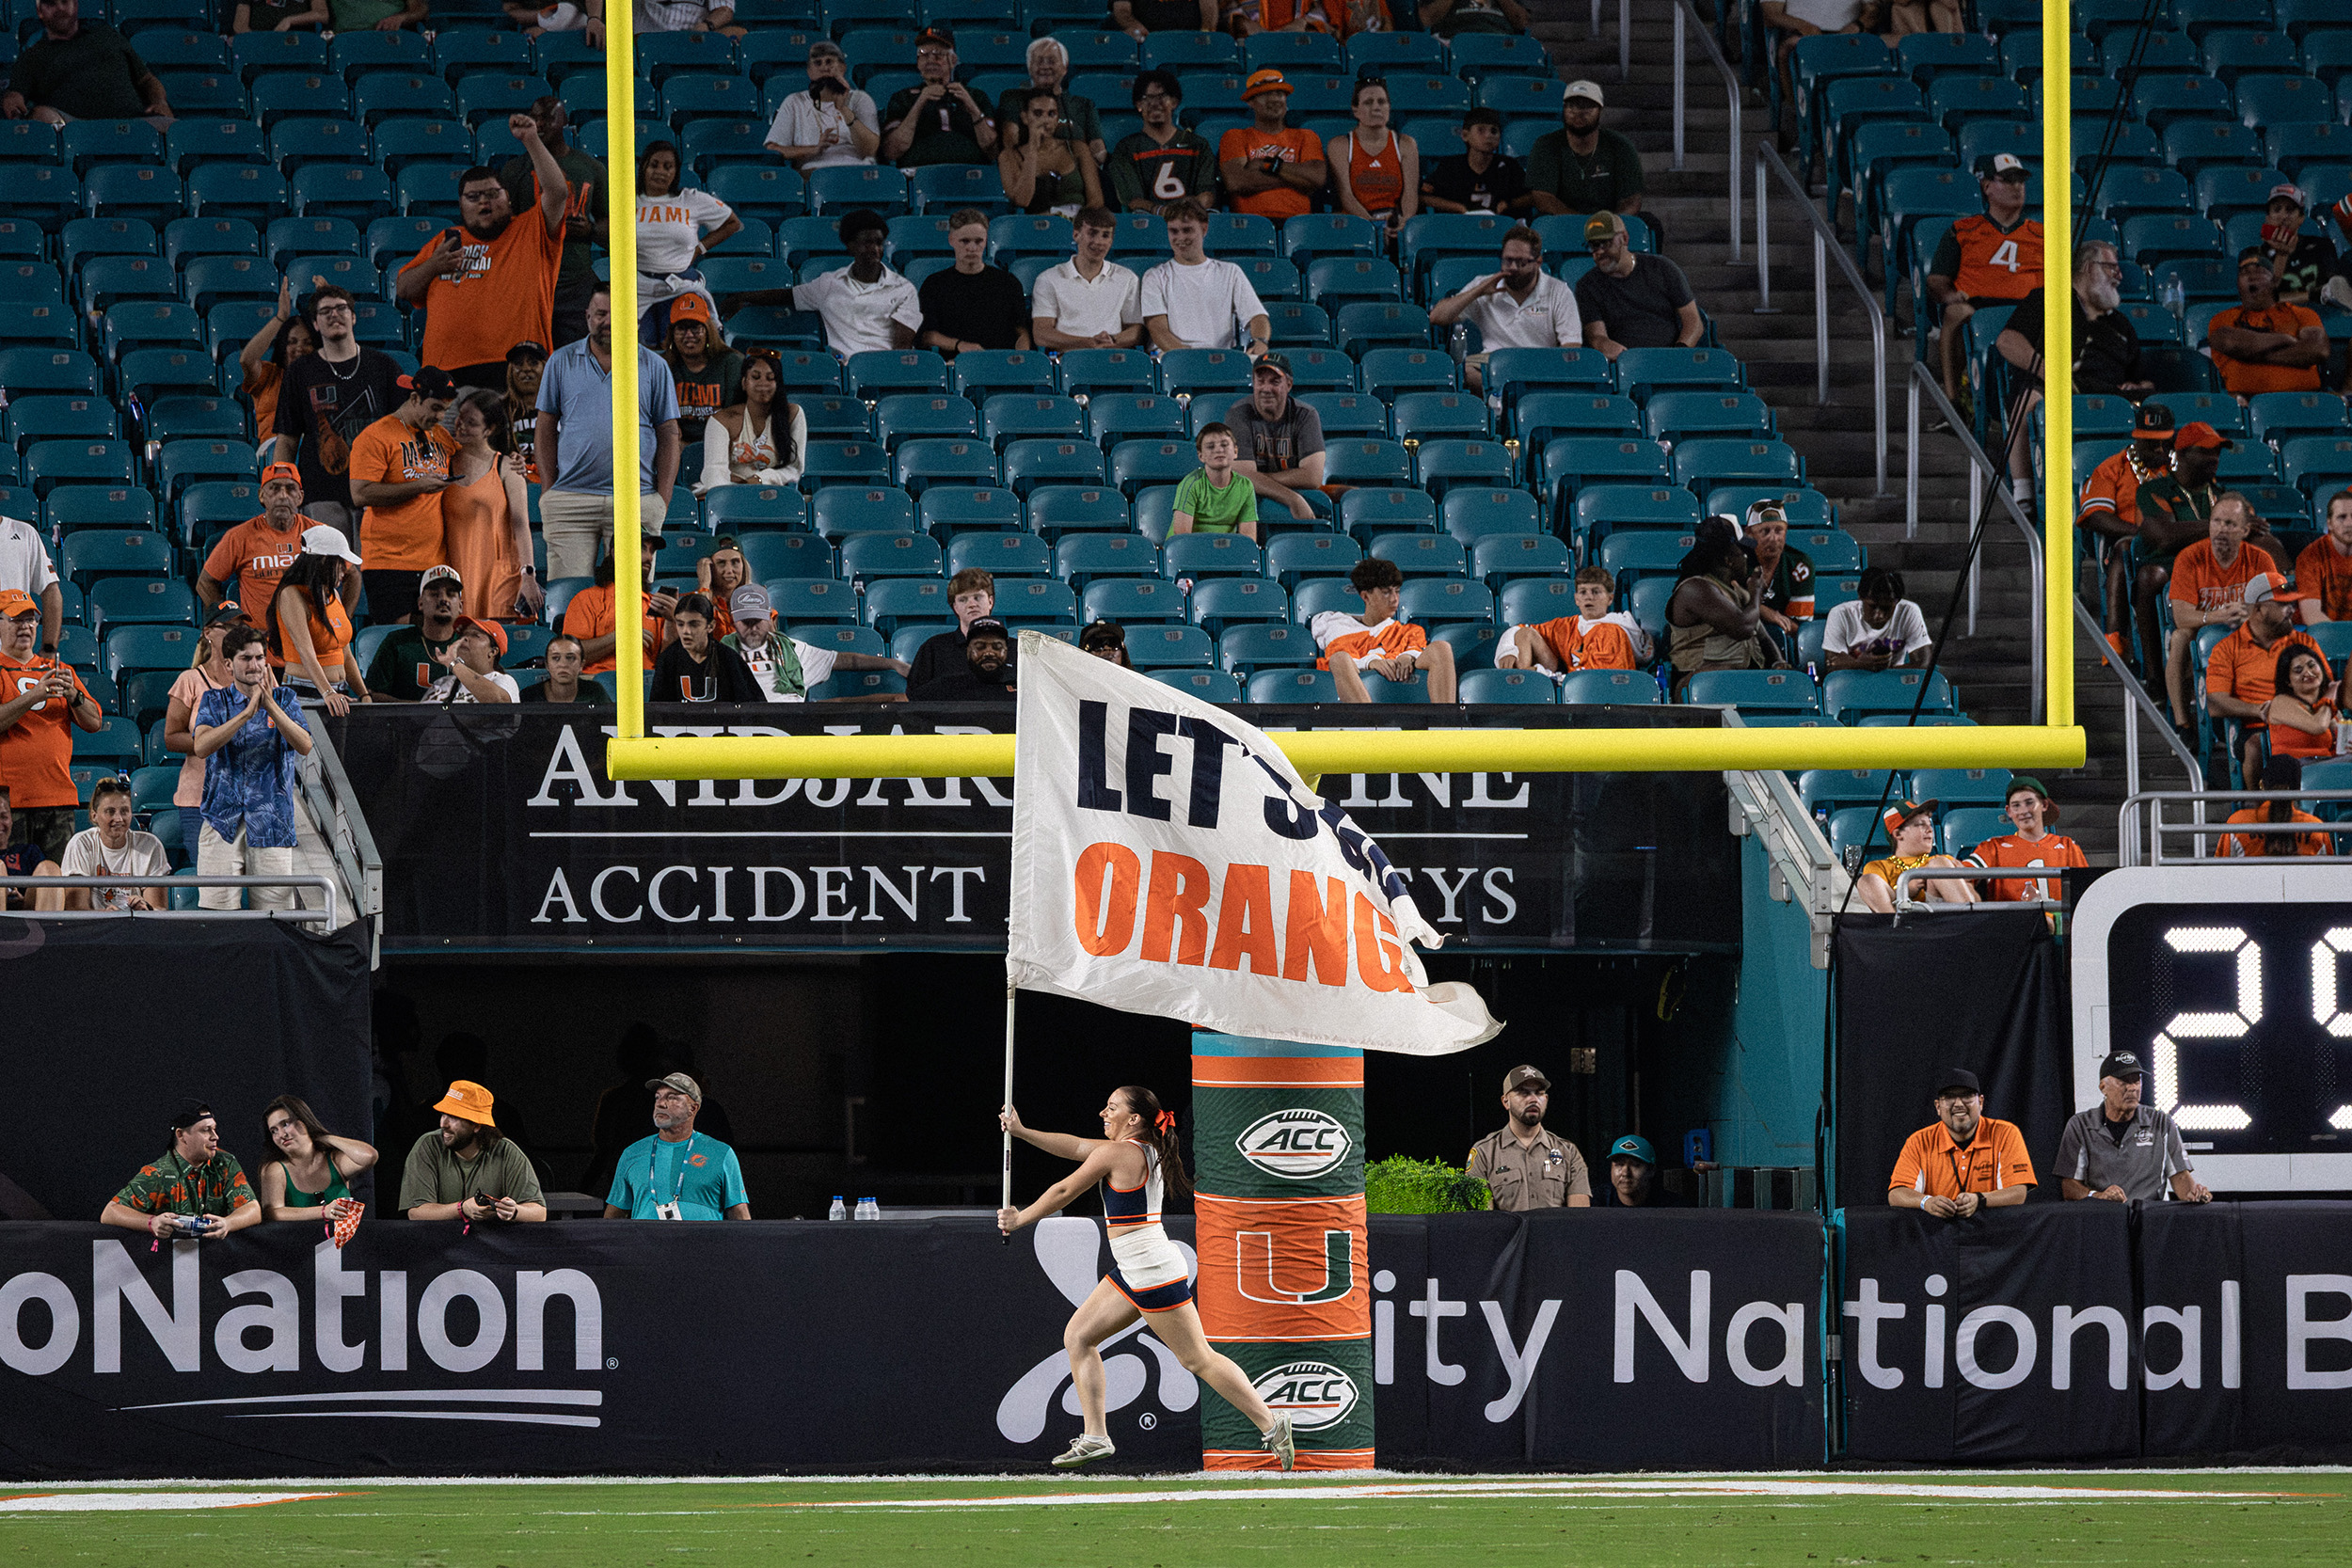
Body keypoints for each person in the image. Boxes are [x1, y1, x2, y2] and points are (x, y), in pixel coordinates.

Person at [996, 1089, 1296, 1472]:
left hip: (1151, 1271)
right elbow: (1073, 1147)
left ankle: (1272, 1424)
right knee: (1079, 1337)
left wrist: (1021, 1218)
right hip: (1135, 1269)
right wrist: (1023, 1132)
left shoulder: (1119, 1152)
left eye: (1113, 1107)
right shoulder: (1135, 1149)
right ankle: (1095, 1437)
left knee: (1198, 1359)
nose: (1103, 1111)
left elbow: (1065, 1190)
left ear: (1134, 1119)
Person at [398, 119, 570, 391]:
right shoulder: (446, 240)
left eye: (492, 194)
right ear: (461, 205)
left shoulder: (530, 229)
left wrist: (531, 140)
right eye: (473, 197)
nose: (483, 201)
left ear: (509, 198)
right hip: (447, 372)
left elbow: (558, 192)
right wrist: (433, 265)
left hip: (517, 367)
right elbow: (404, 288)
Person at [538, 284, 684, 583]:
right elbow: (545, 427)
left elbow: (669, 433)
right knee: (568, 597)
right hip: (571, 500)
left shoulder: (654, 366)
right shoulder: (560, 361)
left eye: (616, 314)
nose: (607, 321)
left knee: (632, 601)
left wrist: (661, 499)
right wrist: (549, 490)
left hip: (636, 500)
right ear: (587, 316)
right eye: (601, 313)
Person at [1994, 240, 2152, 496]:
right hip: (2056, 389)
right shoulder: (2047, 300)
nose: (2119, 276)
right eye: (2111, 267)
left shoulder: (2121, 323)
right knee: (2030, 398)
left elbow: (2144, 379)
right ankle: (2024, 492)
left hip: (2110, 399)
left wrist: (2138, 386)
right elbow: (2007, 341)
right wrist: (2049, 372)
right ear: (2089, 268)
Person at [190, 623, 315, 912]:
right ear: (228, 664)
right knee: (217, 915)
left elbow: (304, 745)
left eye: (260, 658)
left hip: (272, 822)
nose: (255, 665)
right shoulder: (215, 700)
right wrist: (246, 714)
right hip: (222, 821)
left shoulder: (285, 699)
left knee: (275, 918)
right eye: (246, 658)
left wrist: (271, 707)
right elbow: (202, 746)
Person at [272, 283, 405, 533]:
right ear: (315, 324)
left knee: (369, 570)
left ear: (353, 317)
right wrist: (282, 486)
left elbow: (404, 430)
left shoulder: (384, 366)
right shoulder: (300, 372)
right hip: (321, 492)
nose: (334, 314)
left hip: (375, 488)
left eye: (341, 308)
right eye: (325, 311)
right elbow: (287, 439)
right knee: (328, 569)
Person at [2135, 423, 2237, 723]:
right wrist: (2220, 526)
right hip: (2173, 563)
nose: (2214, 457)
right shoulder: (2153, 489)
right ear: (2180, 454)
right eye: (2205, 451)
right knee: (2150, 576)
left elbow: (2246, 531)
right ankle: (2154, 675)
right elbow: (2163, 535)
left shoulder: (2223, 493)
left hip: (2219, 566)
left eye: (2217, 451)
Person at [1925, 153, 2042, 416]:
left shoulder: (2043, 235)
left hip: (2031, 312)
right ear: (1987, 187)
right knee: (1957, 312)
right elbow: (1936, 280)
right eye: (2008, 180)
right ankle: (1954, 404)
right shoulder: (1963, 230)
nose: (2017, 187)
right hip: (1977, 308)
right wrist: (1950, 296)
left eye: (2021, 181)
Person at [346, 367, 458, 626]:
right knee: (401, 635)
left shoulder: (441, 437)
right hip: (389, 563)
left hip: (434, 561)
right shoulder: (376, 436)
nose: (440, 416)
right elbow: (360, 493)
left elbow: (474, 457)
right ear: (415, 398)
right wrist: (417, 486)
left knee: (436, 637)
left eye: (445, 410)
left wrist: (511, 462)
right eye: (435, 408)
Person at [0, 588, 103, 864]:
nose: (25, 626)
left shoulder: (60, 669)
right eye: (16, 620)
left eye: (31, 619)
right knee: (13, 889)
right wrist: (35, 695)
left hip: (57, 796)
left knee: (58, 884)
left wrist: (74, 695)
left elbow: (94, 722)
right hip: (9, 804)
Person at [2169, 497, 2284, 739]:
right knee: (2179, 638)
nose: (2221, 529)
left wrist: (2250, 615)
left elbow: (2274, 611)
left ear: (2245, 530)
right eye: (2217, 522)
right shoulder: (2189, 558)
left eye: (2230, 524)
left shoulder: (2260, 559)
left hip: (2246, 632)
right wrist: (2217, 616)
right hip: (2202, 630)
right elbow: (2181, 617)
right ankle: (2182, 725)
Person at [497, 96, 605, 352]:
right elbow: (502, 228)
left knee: (577, 358)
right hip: (530, 282)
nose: (541, 123)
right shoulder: (514, 170)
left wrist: (589, 230)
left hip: (575, 282)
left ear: (565, 120)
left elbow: (614, 227)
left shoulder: (590, 168)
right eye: (536, 117)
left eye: (548, 117)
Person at [1427, 224, 1581, 394]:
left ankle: (1507, 399)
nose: (1513, 267)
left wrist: (1548, 370)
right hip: (1492, 362)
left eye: (1521, 262)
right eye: (1508, 260)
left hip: (1539, 363)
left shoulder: (1558, 291)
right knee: (1465, 371)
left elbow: (1572, 345)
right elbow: (1437, 317)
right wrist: (1478, 291)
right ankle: (1504, 399)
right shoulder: (1484, 284)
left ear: (1538, 263)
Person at [2076, 401, 2175, 663]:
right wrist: (2141, 531)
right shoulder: (2113, 467)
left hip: (2177, 539)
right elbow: (2096, 515)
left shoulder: (2180, 466)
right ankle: (2114, 636)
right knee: (2124, 549)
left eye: (2163, 441)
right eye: (2150, 441)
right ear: (2136, 437)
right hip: (2131, 540)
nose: (2157, 448)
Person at [2204, 573, 2327, 784]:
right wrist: (2258, 710)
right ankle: (2257, 809)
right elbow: (2215, 703)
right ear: (2258, 609)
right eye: (2283, 605)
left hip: (2306, 720)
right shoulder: (2226, 649)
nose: (2292, 610)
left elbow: (2326, 687)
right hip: (2256, 727)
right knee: (2255, 745)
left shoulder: (2305, 642)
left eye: (2292, 603)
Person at [2056, 1051, 2212, 1204]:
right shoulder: (2080, 1125)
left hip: (2149, 1218)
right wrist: (2098, 1196)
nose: (2132, 1088)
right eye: (2123, 1082)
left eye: (2136, 1081)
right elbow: (2069, 1187)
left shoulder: (2161, 1122)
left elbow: (2181, 1176)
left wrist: (2194, 1194)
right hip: (2101, 1218)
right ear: (2103, 1087)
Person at [766, 210, 922, 358]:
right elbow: (785, 296)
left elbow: (902, 346)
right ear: (851, 246)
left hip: (888, 368)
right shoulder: (828, 285)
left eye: (879, 243)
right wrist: (742, 297)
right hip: (845, 367)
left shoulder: (903, 289)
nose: (875, 249)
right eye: (867, 243)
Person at [100, 1102, 262, 1241]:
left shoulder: (224, 1163)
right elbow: (110, 1212)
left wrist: (228, 1224)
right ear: (181, 1135)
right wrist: (151, 1222)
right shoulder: (158, 1172)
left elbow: (253, 1209)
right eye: (206, 1130)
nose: (215, 1136)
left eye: (214, 1129)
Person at [0, 0, 172, 130]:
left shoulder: (107, 35)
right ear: (40, 11)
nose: (60, 8)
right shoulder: (33, 56)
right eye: (51, 3)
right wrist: (11, 101)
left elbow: (147, 80)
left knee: (177, 130)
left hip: (134, 123)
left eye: (65, 1)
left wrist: (159, 102)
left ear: (75, 5)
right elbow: (15, 95)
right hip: (72, 127)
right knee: (42, 116)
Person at [443, 389, 537, 625]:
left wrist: (528, 576)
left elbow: (521, 524)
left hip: (499, 576)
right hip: (454, 571)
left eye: (471, 422)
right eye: (460, 417)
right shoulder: (443, 462)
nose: (461, 425)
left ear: (490, 429)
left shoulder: (507, 467)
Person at [1888, 1069, 2035, 1218]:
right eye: (1949, 1097)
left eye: (1967, 1096)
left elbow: (2018, 1193)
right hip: (1935, 1236)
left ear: (1981, 1102)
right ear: (1938, 1107)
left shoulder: (2005, 1133)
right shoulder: (1919, 1141)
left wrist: (1979, 1200)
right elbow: (1896, 1194)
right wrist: (1927, 1201)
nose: (1958, 1104)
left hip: (1992, 1234)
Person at [603, 1071, 751, 1221]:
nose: (661, 1103)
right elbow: (614, 1215)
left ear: (693, 1108)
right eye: (657, 1097)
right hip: (646, 1244)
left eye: (672, 1097)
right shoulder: (632, 1153)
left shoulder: (721, 1153)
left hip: (704, 1244)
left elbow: (740, 1215)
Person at [724, 585, 906, 703]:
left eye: (758, 620)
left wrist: (893, 663)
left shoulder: (794, 649)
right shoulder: (722, 652)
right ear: (734, 622)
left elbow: (849, 661)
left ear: (772, 619)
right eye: (745, 621)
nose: (753, 627)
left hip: (787, 722)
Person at [400, 1079, 548, 1224]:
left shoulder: (506, 1152)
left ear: (476, 1125)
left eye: (453, 1117)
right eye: (443, 1114)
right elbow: (416, 1212)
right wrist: (462, 1208)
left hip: (493, 1242)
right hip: (441, 1243)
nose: (443, 1124)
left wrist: (514, 1211)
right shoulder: (428, 1145)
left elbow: (539, 1213)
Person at [1313, 557, 1458, 702]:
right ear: (1366, 596)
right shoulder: (1339, 627)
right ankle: (1370, 724)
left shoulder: (1406, 631)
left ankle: (1446, 722)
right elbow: (1338, 660)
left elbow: (1417, 647)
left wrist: (1407, 656)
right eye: (1386, 592)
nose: (1394, 599)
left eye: (1397, 591)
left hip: (1405, 701)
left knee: (1442, 647)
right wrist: (1371, 662)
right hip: (1361, 710)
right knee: (1339, 658)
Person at [635, 140, 737, 346]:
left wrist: (700, 249)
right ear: (643, 167)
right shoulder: (626, 200)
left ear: (675, 172)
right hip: (638, 285)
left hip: (679, 284)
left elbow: (732, 223)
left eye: (667, 166)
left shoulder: (690, 199)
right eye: (654, 165)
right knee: (641, 349)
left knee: (677, 345)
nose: (660, 172)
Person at [165, 606, 247, 858]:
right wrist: (214, 741)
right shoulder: (190, 680)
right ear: (208, 632)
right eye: (230, 627)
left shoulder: (259, 675)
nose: (238, 634)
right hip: (201, 798)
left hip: (251, 796)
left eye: (241, 628)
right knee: (211, 883)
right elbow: (171, 737)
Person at [1141, 198, 1271, 355]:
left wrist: (1260, 341)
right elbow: (1158, 330)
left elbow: (1257, 316)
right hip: (1174, 359)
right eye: (1174, 231)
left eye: (1187, 230)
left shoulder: (1230, 272)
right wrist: (1194, 359)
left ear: (1204, 229)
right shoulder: (1154, 276)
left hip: (1219, 359)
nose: (1180, 238)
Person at [1576, 211, 1701, 358]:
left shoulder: (1662, 268)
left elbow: (1693, 321)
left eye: (1606, 243)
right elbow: (1596, 335)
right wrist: (1605, 345)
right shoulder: (1588, 285)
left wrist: (1680, 353)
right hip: (1625, 362)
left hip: (1671, 356)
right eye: (1593, 246)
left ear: (1624, 238)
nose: (1600, 252)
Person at [2208, 247, 2329, 399]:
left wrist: (2253, 355)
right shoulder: (2223, 318)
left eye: (2260, 271)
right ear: (2238, 283)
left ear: (2274, 281)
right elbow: (2228, 342)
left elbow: (2318, 350)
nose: (2252, 276)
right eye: (2244, 272)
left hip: (2304, 400)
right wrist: (2285, 340)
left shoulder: (2301, 314)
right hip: (2247, 403)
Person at [1466, 1065, 1591, 1210]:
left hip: (1555, 1232)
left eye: (1539, 1093)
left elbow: (1579, 1218)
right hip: (1509, 1233)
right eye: (1523, 1093)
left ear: (1546, 1099)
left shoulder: (1568, 1152)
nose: (1533, 1099)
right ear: (1506, 1101)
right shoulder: (1484, 1153)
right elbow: (1483, 1221)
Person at [199, 463, 314, 619]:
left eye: (290, 489)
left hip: (308, 637)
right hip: (260, 638)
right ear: (261, 496)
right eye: (274, 488)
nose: (282, 495)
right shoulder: (239, 536)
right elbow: (205, 583)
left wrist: (343, 620)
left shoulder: (318, 533)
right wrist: (229, 622)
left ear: (300, 497)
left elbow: (351, 576)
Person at [1758, 0, 1880, 148]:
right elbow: (1771, 15)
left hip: (1849, 36)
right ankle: (1803, 126)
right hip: (1802, 34)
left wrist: (1857, 26)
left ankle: (1860, 138)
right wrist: (1804, 26)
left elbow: (1873, 12)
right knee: (1795, 49)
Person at [268, 531, 364, 711]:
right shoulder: (291, 594)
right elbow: (305, 652)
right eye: (341, 563)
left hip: (339, 694)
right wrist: (327, 692)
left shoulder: (333, 594)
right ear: (323, 560)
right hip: (306, 692)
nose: (345, 570)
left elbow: (346, 653)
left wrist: (364, 694)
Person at [921, 208, 1036, 358]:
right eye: (965, 241)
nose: (972, 248)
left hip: (1002, 362)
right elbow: (927, 335)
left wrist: (1021, 359)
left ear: (986, 240)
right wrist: (958, 345)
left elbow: (1022, 331)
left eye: (978, 241)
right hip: (956, 363)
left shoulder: (1008, 283)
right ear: (951, 240)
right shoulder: (935, 284)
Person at [1664, 522, 1771, 681]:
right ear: (1728, 560)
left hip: (1738, 680)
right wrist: (1756, 593)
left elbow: (1763, 637)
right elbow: (1743, 628)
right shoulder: (1696, 589)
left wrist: (1778, 662)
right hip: (1700, 683)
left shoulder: (1735, 589)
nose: (1747, 557)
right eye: (1743, 552)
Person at [1496, 563, 1649, 672]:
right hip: (1568, 687)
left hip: (1600, 702)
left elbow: (1597, 680)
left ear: (1610, 599)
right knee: (1525, 634)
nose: (1589, 598)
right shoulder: (1566, 626)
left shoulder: (1613, 632)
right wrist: (1509, 651)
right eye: (1583, 592)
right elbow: (1520, 630)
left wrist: (1543, 674)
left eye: (1596, 592)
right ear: (1576, 599)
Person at [882, 28, 998, 169]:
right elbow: (892, 152)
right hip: (919, 178)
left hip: (972, 175)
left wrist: (972, 109)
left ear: (953, 60)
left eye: (938, 54)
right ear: (918, 62)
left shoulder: (975, 96)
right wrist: (919, 104)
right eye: (923, 54)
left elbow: (993, 151)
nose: (931, 60)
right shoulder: (903, 98)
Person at [1219, 71, 1324, 227]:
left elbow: (1316, 178)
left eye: (1280, 94)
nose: (1274, 99)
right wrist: (1298, 179)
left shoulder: (1306, 136)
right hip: (1251, 224)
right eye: (1266, 94)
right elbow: (1237, 182)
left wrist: (1266, 165)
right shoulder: (1235, 136)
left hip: (1299, 224)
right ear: (1250, 101)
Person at [1962, 775, 2088, 904]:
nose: (2023, 811)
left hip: (2061, 922)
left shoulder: (2067, 846)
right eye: (2016, 806)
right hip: (2011, 922)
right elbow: (1960, 877)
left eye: (2029, 803)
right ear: (2009, 811)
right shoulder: (1994, 846)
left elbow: (2086, 889)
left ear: (2044, 805)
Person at [1032, 207, 1144, 351]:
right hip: (1069, 360)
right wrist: (1088, 343)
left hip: (1112, 358)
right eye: (1092, 233)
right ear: (1076, 234)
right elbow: (1041, 333)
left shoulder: (1127, 278)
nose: (1099, 242)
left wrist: (1112, 340)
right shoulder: (1049, 279)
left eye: (1105, 235)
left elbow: (1137, 329)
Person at [1527, 81, 1642, 221]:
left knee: (1652, 224)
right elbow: (1542, 197)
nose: (1578, 113)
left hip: (1610, 223)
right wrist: (1582, 223)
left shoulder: (1620, 145)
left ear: (1600, 110)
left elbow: (1632, 199)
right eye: (1572, 106)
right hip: (1562, 223)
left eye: (1587, 107)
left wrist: (1610, 224)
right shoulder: (1546, 145)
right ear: (1563, 109)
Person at [695, 348, 802, 498]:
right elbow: (713, 472)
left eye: (770, 378)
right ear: (744, 383)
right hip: (729, 494)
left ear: (778, 384)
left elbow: (794, 468)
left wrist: (759, 480)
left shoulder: (793, 414)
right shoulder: (722, 420)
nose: (763, 384)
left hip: (773, 494)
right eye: (756, 377)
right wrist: (735, 492)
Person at [256, 1095, 378, 1223]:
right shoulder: (275, 1169)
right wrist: (323, 1211)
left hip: (344, 1240)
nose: (281, 1135)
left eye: (285, 1124)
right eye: (274, 1131)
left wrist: (323, 1137)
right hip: (301, 1240)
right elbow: (272, 1213)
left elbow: (369, 1156)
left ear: (303, 1121)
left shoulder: (334, 1160)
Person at [563, 534, 672, 677]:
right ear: (616, 553)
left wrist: (673, 621)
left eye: (652, 551)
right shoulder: (587, 599)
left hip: (645, 683)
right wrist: (620, 637)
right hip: (597, 683)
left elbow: (667, 662)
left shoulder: (655, 605)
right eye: (642, 549)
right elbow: (570, 656)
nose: (649, 557)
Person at [1108, 73, 1216, 215]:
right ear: (1138, 105)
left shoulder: (1197, 145)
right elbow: (1134, 200)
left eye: (1162, 96)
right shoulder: (1127, 148)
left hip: (1190, 221)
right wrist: (1160, 210)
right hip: (1150, 224)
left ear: (1174, 102)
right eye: (1146, 98)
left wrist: (1183, 212)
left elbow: (1207, 195)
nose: (1154, 104)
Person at [56, 774, 167, 911]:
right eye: (110, 811)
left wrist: (146, 909)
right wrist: (106, 916)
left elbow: (159, 909)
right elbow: (76, 908)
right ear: (94, 815)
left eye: (124, 811)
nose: (119, 818)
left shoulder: (150, 845)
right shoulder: (81, 844)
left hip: (136, 926)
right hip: (94, 927)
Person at [1225, 356, 1326, 506]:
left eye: (1275, 382)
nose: (1266, 389)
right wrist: (1293, 499)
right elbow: (1243, 477)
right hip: (1251, 504)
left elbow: (1312, 477)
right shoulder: (1238, 414)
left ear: (1289, 384)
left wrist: (1258, 479)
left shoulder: (1306, 415)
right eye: (1261, 381)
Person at [765, 40, 880, 173]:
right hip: (815, 173)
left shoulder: (860, 99)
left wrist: (843, 109)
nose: (824, 68)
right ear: (809, 71)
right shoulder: (795, 101)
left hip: (857, 172)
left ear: (842, 67)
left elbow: (870, 150)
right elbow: (773, 148)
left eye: (829, 62)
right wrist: (814, 149)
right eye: (818, 63)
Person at [237, 277, 320, 456]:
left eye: (307, 342)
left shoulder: (325, 375)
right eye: (292, 342)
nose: (299, 348)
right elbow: (247, 359)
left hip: (313, 448)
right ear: (283, 347)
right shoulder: (269, 376)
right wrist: (280, 317)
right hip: (273, 448)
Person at [994, 37, 1104, 170]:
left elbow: (1097, 147)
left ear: (1065, 67)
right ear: (1029, 67)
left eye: (1052, 61)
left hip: (1075, 173)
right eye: (1039, 61)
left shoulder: (1083, 104)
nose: (1045, 66)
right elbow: (1010, 143)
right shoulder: (1013, 98)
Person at [1328, 79, 1418, 242]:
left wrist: (1405, 221)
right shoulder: (1340, 145)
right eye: (1368, 102)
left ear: (1389, 107)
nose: (1376, 107)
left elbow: (1410, 194)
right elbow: (1346, 196)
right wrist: (1373, 227)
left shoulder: (1406, 144)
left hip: (1393, 220)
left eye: (1382, 102)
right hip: (1357, 222)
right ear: (1356, 110)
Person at [998, 87, 1103, 222]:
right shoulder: (1010, 156)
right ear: (1025, 117)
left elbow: (1096, 200)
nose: (1045, 120)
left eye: (1051, 114)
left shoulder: (1077, 148)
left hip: (1077, 225)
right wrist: (1032, 151)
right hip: (1036, 226)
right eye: (1038, 113)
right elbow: (1022, 200)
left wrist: (1074, 224)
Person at [365, 564, 464, 703]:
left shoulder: (468, 646)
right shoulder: (397, 642)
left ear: (460, 606)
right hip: (404, 723)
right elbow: (373, 694)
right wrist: (421, 712)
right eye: (434, 594)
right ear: (420, 603)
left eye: (451, 594)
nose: (443, 599)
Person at [1857, 799, 1977, 912]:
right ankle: (1893, 928)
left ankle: (1969, 921)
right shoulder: (1879, 867)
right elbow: (1874, 894)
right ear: (1898, 834)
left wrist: (1965, 882)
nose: (1929, 830)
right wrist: (1905, 890)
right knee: (1867, 880)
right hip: (1898, 916)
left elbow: (1975, 897)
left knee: (1939, 864)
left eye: (1930, 824)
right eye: (1920, 824)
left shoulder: (1941, 860)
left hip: (1939, 917)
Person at [651, 592, 763, 704]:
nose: (686, 631)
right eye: (680, 624)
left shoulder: (728, 657)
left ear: (711, 626)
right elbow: (657, 711)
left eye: (694, 624)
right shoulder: (668, 659)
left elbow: (753, 708)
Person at [1420, 107, 1531, 218]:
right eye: (1481, 130)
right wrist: (1457, 208)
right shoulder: (1451, 166)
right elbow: (1423, 196)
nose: (1488, 135)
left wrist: (1508, 204)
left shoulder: (1509, 166)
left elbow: (1533, 196)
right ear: (1465, 135)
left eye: (1494, 131)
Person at [660, 296, 743, 445]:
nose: (689, 335)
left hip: (722, 444)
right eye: (681, 329)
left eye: (695, 328)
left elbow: (735, 415)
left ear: (708, 331)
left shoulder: (731, 362)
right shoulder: (663, 366)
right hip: (677, 444)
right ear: (672, 334)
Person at [2219, 753, 2334, 857]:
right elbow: (2328, 874)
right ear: (2298, 789)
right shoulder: (2316, 828)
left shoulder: (2237, 823)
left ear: (2262, 785)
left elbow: (2220, 870)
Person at [1173, 422, 1273, 540]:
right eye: (1210, 446)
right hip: (1194, 552)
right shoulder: (1191, 484)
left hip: (1226, 551)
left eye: (1224, 445)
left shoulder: (1245, 486)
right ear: (1201, 456)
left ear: (1236, 451)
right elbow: (1182, 539)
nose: (1219, 450)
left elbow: (1248, 539)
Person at [1823, 566, 1931, 673]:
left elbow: (1923, 663)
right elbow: (1832, 663)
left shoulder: (1909, 611)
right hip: (1853, 682)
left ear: (1897, 602)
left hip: (1893, 684)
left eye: (1886, 608)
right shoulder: (1840, 614)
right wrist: (1863, 664)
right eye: (1872, 606)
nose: (1878, 615)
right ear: (1861, 597)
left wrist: (1881, 674)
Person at [1746, 502, 1813, 665]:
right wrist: (1764, 611)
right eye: (1765, 531)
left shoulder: (1800, 565)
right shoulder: (1736, 559)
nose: (1773, 538)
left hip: (1782, 640)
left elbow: (1799, 627)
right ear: (1749, 534)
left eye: (1778, 530)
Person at [910, 568, 997, 689]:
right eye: (963, 599)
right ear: (955, 607)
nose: (972, 604)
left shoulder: (1014, 648)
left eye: (977, 597)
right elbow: (916, 697)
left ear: (990, 601)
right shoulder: (933, 649)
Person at [2256, 183, 2336, 309]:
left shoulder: (2322, 247)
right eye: (2277, 210)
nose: (2283, 217)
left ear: (2301, 218)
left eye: (2290, 210)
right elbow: (2263, 299)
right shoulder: (2256, 256)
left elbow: (2335, 289)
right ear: (2268, 218)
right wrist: (2282, 255)